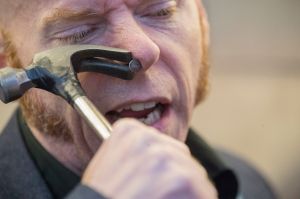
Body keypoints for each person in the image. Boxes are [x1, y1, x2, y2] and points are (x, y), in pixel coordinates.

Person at [0, 0, 276, 198]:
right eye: (80, 31)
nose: (143, 50)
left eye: (161, 11)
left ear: (203, 23)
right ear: (5, 62)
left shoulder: (250, 184)